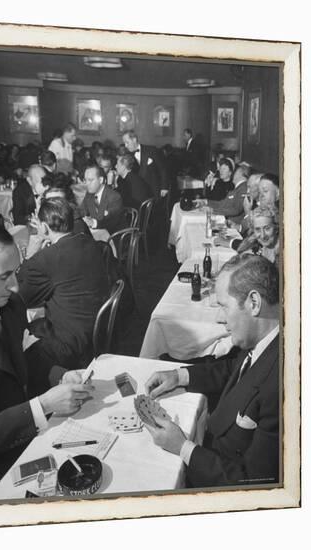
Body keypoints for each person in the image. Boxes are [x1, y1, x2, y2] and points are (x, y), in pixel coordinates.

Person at [144, 254, 280, 488]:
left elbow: (252, 482)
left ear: (254, 303)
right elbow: (233, 369)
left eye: (224, 307)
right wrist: (179, 375)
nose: (219, 318)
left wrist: (183, 447)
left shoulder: (282, 385)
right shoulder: (265, 339)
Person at [0, 222, 93, 487]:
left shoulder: (11, 307)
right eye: (4, 277)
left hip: (28, 438)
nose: (15, 287)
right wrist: (44, 405)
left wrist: (61, 376)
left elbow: (25, 357)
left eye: (16, 273)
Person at [16, 198, 110, 370]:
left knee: (17, 334)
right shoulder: (90, 243)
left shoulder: (44, 260)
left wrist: (29, 257)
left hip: (70, 344)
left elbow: (22, 298)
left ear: (43, 227)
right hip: (98, 331)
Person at [122, 130, 168, 199]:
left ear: (134, 140)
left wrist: (164, 187)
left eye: (127, 142)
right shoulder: (127, 155)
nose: (125, 146)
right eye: (124, 143)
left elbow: (163, 169)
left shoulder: (152, 150)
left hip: (154, 190)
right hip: (138, 193)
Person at [79, 164, 124, 234]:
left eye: (90, 180)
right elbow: (82, 211)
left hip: (114, 237)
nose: (87, 184)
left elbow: (111, 222)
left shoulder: (114, 197)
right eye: (85, 180)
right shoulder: (90, 194)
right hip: (97, 234)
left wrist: (93, 223)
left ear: (100, 180)